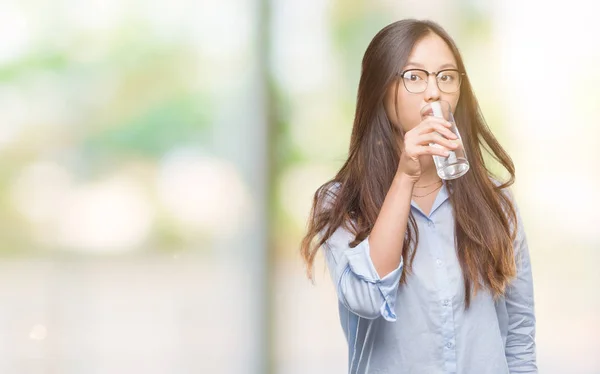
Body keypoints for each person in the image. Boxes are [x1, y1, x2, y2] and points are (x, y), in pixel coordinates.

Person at [300, 19, 537, 374]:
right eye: (415, 76)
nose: (434, 92)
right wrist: (405, 176)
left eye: (446, 76)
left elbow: (519, 337)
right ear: (381, 89)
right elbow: (367, 299)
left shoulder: (495, 203)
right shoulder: (341, 204)